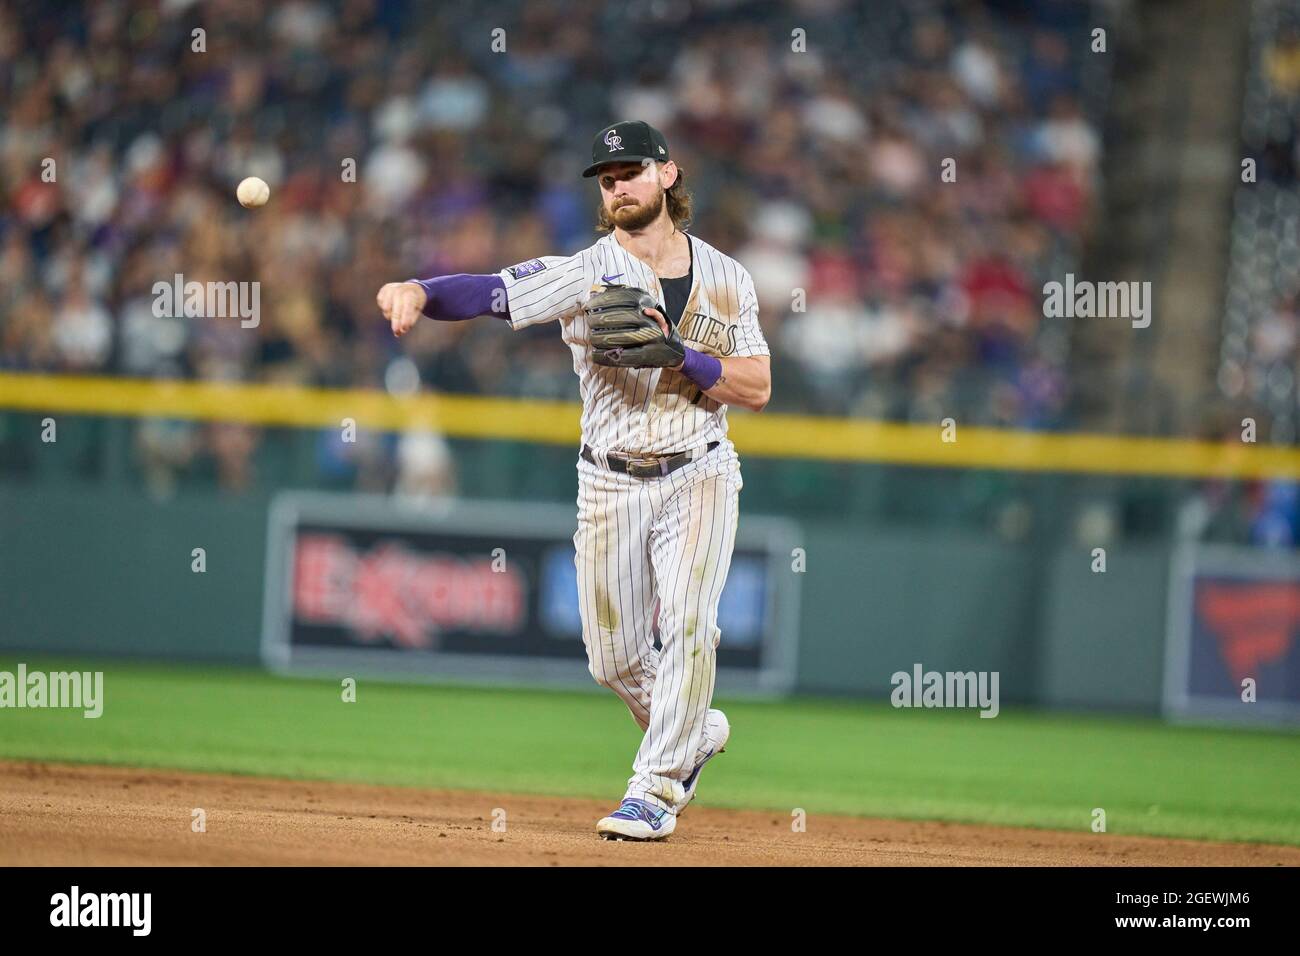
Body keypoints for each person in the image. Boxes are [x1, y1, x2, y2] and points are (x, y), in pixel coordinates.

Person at [376, 120, 771, 840]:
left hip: (700, 472)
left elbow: (758, 387)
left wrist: (686, 357)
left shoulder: (728, 278)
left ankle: (653, 791)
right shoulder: (587, 272)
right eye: (607, 178)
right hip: (610, 483)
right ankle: (692, 731)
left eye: (631, 171)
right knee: (612, 660)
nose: (618, 185)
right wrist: (417, 289)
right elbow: (493, 293)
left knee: (689, 623)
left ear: (668, 174)